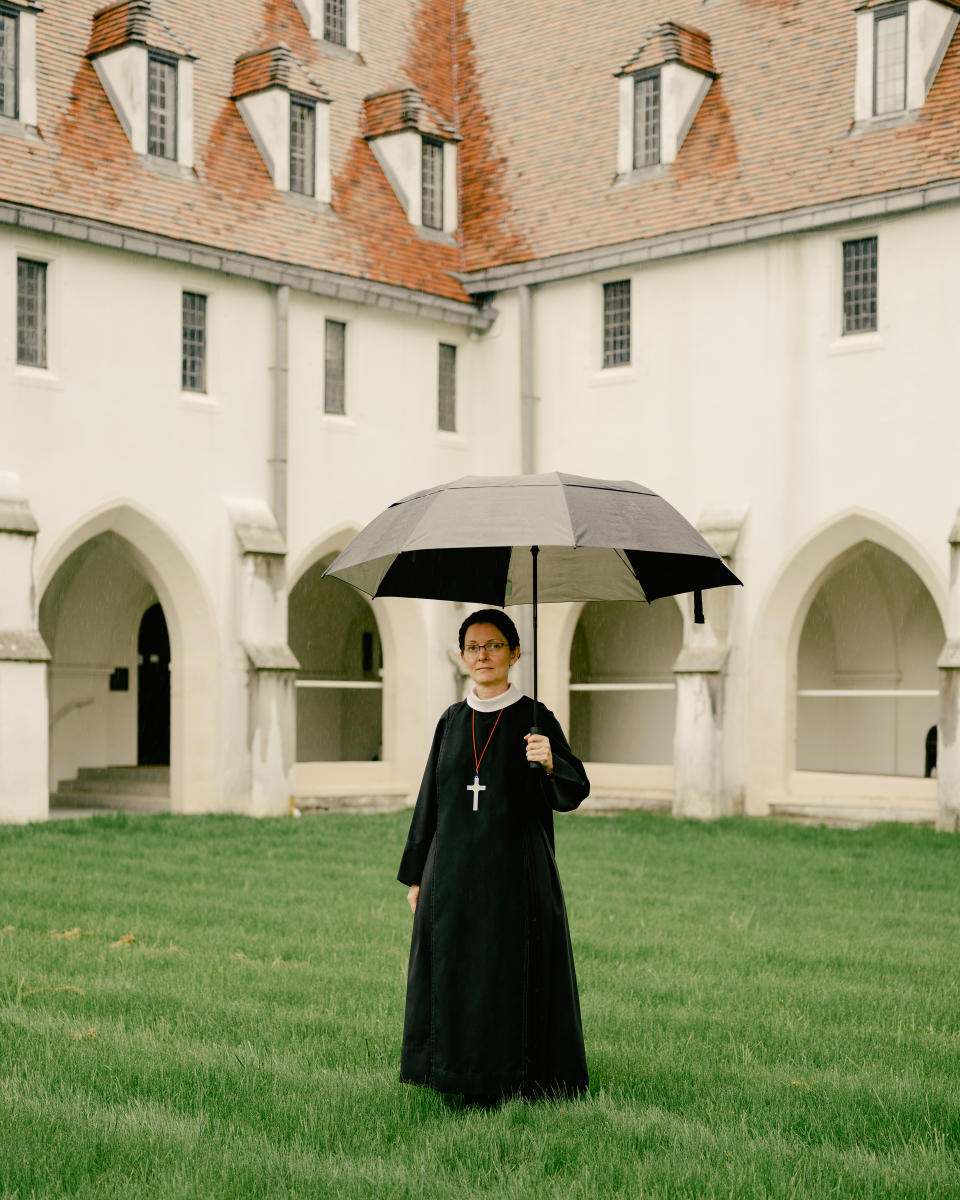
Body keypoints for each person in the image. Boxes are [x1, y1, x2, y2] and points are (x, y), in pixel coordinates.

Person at [397, 608, 590, 1103]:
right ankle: (454, 1071)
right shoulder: (451, 721)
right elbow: (430, 798)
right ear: (463, 657)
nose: (483, 655)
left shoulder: (535, 718)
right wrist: (418, 874)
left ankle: (520, 1074)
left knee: (510, 971)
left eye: (495, 645)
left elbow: (574, 787)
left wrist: (549, 763)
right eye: (474, 647)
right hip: (454, 871)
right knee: (457, 968)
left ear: (515, 653)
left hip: (516, 873)